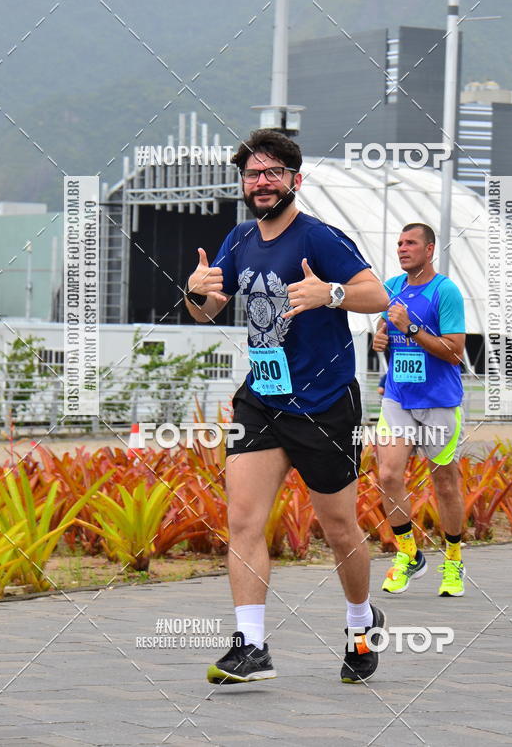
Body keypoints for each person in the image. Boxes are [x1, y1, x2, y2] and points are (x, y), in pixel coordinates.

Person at [184, 129, 389, 684]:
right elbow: (208, 311)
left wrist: (333, 293)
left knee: (340, 528)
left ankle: (360, 625)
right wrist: (194, 291)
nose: (262, 182)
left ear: (295, 181)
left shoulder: (319, 238)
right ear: (244, 184)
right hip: (263, 398)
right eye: (253, 174)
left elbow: (378, 296)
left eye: (273, 173)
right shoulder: (239, 239)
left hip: (324, 404)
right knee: (244, 520)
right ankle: (251, 647)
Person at [372, 223, 467, 598]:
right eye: (398, 243)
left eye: (411, 243)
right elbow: (383, 329)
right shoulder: (392, 287)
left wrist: (409, 328)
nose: (402, 249)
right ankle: (409, 555)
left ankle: (454, 559)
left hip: (439, 401)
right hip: (398, 398)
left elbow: (455, 351)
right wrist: (381, 337)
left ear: (430, 249)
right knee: (389, 475)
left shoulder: (446, 291)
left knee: (444, 483)